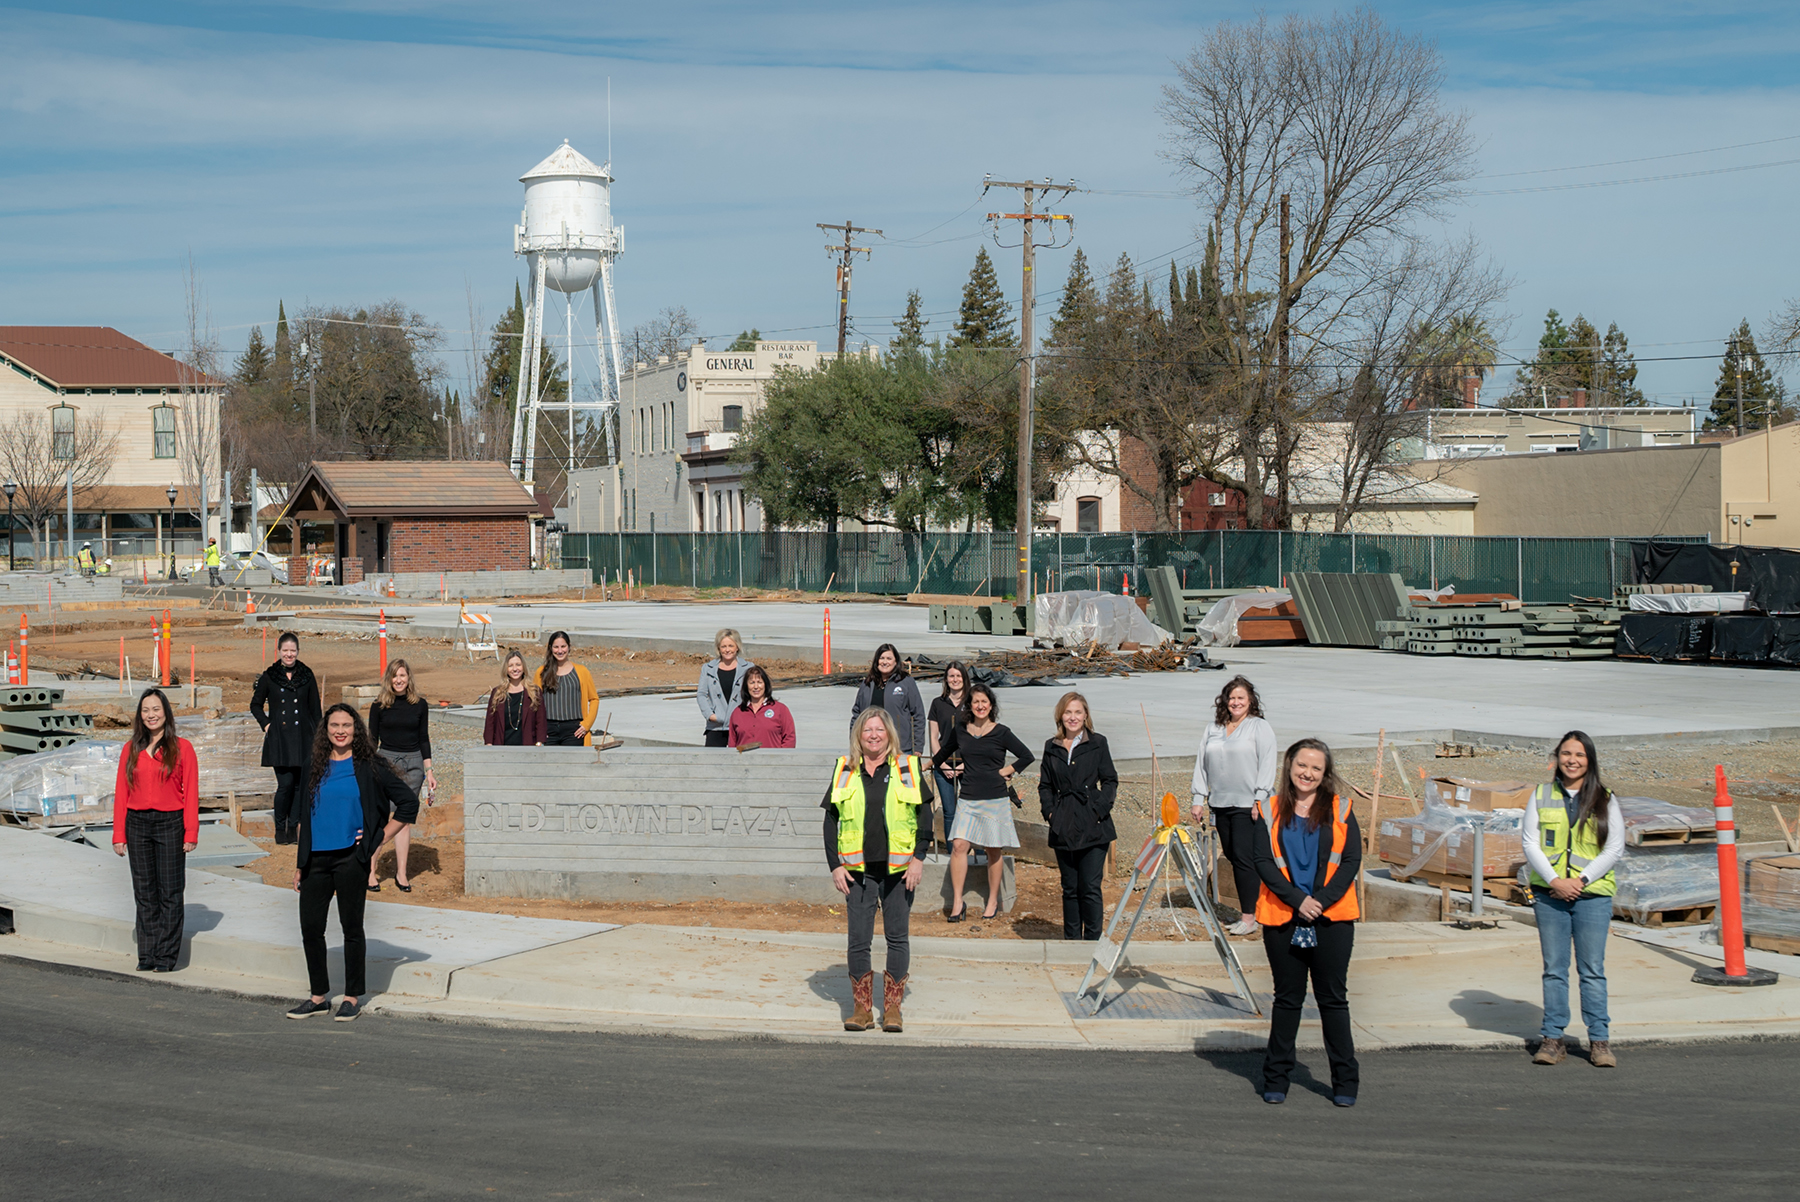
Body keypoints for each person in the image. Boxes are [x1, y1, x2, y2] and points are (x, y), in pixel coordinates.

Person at [286, 705, 418, 1023]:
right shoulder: (314, 764)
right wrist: (300, 863)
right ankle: (318, 996)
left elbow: (408, 802)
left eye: (347, 725)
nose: (341, 730)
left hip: (350, 858)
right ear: (326, 730)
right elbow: (305, 816)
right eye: (335, 725)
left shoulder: (369, 765)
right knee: (311, 929)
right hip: (315, 859)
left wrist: (378, 839)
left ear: (356, 730)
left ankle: (351, 997)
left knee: (351, 929)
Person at [1252, 737, 1361, 1108]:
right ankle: (1276, 1078)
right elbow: (1263, 862)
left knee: (1333, 1001)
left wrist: (1320, 903)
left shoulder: (1342, 809)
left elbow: (1350, 861)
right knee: (1287, 1000)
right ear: (1289, 767)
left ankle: (1345, 1081)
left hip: (1332, 919)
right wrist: (1298, 901)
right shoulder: (1267, 811)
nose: (1308, 773)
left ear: (1325, 773)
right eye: (1302, 765)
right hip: (1282, 916)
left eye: (1316, 768)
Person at [823, 708, 930, 1032]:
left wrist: (919, 859)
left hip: (898, 871)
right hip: (857, 872)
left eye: (879, 730)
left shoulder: (906, 767)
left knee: (897, 939)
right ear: (859, 735)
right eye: (867, 730)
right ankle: (862, 1009)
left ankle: (893, 1010)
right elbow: (831, 820)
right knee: (858, 941)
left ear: (889, 735)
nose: (873, 735)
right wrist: (835, 866)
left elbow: (925, 816)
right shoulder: (845, 768)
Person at [1525, 729, 1625, 1069]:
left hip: (1591, 896)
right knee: (1554, 969)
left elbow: (1614, 848)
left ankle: (1599, 1041)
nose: (1572, 760)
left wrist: (1579, 881)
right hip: (1550, 895)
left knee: (1592, 970)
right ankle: (1553, 1038)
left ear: (1590, 760)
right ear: (1557, 758)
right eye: (1567, 754)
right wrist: (1554, 880)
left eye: (1580, 755)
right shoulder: (1540, 795)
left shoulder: (1606, 798)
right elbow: (1530, 843)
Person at [110, 688, 198, 972]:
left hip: (170, 823)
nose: (151, 715)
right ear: (140, 715)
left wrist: (190, 832)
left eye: (156, 709)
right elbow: (122, 792)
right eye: (146, 710)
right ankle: (147, 955)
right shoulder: (130, 749)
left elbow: (191, 793)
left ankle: (166, 956)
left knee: (170, 892)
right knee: (144, 892)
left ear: (165, 713)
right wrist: (118, 834)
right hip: (137, 824)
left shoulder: (182, 748)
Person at [933, 683, 1034, 922]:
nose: (980, 706)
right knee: (959, 845)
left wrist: (1007, 769)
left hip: (995, 798)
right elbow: (942, 754)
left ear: (991, 706)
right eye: (976, 701)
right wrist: (929, 765)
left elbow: (1027, 755)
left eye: (984, 702)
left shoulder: (1002, 732)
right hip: (968, 797)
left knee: (993, 849)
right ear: (970, 705)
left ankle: (992, 901)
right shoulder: (961, 730)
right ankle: (958, 902)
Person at [1191, 675, 1278, 938]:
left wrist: (1259, 798)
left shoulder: (1258, 727)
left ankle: (1249, 917)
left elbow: (1268, 762)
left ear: (1250, 701)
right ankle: (1255, 908)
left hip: (1247, 804)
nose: (1236, 702)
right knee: (1231, 854)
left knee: (1244, 860)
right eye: (1232, 698)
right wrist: (1198, 799)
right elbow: (1202, 764)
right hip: (1220, 803)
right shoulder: (1213, 728)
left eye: (1241, 698)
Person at [1038, 692, 1118, 941]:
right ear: (1060, 715)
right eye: (1068, 712)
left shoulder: (1098, 743)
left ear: (1085, 716)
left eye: (1078, 712)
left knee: (1090, 887)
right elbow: (1045, 785)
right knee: (1070, 888)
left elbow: (1110, 780)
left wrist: (1099, 809)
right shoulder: (1051, 747)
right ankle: (1071, 942)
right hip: (1063, 824)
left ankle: (1092, 942)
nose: (1073, 717)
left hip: (1093, 824)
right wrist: (1050, 812)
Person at [366, 658, 434, 893]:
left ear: (408, 678)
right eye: (394, 676)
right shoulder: (378, 706)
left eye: (402, 675)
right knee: (382, 816)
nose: (398, 680)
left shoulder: (420, 705)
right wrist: (366, 767)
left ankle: (401, 873)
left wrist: (429, 770)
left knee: (404, 817)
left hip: (414, 763)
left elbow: (424, 738)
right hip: (386, 762)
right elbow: (372, 740)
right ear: (389, 679)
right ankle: (371, 871)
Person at [250, 632, 321, 845]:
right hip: (279, 738)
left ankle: (293, 827)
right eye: (285, 650)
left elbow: (316, 710)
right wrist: (266, 723)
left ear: (298, 651)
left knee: (301, 786)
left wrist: (320, 738)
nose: (289, 654)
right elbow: (255, 704)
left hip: (303, 738)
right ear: (279, 651)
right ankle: (280, 827)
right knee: (285, 785)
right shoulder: (270, 676)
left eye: (293, 650)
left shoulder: (307, 675)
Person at [850, 643, 926, 756]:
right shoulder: (867, 684)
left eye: (889, 658)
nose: (885, 662)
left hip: (900, 748)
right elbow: (857, 715)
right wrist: (854, 743)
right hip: (871, 747)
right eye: (882, 658)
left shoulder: (906, 682)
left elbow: (918, 715)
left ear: (895, 662)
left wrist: (918, 748)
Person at [927, 661, 970, 853]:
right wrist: (942, 764)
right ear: (946, 679)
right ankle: (954, 852)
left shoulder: (972, 703)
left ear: (964, 678)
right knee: (949, 812)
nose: (955, 680)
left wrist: (965, 766)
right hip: (944, 765)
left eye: (958, 676)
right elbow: (933, 738)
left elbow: (979, 736)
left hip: (967, 765)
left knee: (970, 810)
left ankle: (976, 851)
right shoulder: (938, 704)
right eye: (951, 676)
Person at [538, 630, 599, 746]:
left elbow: (594, 699)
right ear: (550, 648)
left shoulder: (581, 672)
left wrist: (586, 725)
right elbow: (533, 702)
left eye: (563, 646)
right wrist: (538, 729)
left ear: (569, 647)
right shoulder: (542, 672)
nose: (560, 651)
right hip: (548, 730)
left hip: (574, 731)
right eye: (556, 647)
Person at [697, 628, 753, 747]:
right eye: (723, 646)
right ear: (718, 648)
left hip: (741, 726)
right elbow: (701, 694)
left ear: (737, 647)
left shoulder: (748, 668)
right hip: (716, 727)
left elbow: (755, 694)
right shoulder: (708, 669)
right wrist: (710, 715)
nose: (727, 650)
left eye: (731, 646)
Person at [484, 648, 547, 746]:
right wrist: (489, 743)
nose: (515, 669)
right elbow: (490, 722)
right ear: (506, 669)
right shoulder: (497, 693)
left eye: (518, 665)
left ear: (523, 667)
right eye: (510, 666)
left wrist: (539, 742)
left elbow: (540, 720)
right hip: (502, 747)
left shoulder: (534, 692)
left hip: (527, 747)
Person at [728, 665, 795, 748]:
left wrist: (781, 758)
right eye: (752, 683)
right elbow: (732, 743)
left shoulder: (780, 710)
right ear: (746, 686)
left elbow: (789, 739)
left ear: (765, 685)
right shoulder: (737, 712)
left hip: (772, 760)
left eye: (759, 682)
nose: (756, 687)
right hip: (745, 760)